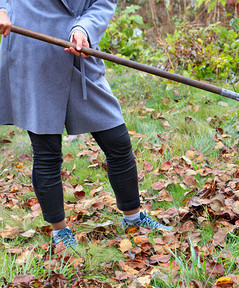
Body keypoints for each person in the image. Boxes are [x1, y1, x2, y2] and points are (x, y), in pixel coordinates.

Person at [0, 1, 171, 250]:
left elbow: (103, 2)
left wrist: (84, 29)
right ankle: (60, 232)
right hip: (33, 53)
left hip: (79, 53)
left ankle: (133, 218)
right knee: (46, 151)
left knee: (117, 140)